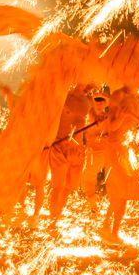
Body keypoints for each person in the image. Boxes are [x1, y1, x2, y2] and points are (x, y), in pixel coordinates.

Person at [100, 86, 139, 244]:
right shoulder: (118, 95)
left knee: (125, 193)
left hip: (129, 150)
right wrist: (122, 116)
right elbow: (111, 127)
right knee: (118, 191)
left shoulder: (137, 100)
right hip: (115, 149)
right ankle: (110, 230)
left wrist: (136, 118)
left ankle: (110, 228)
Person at [46, 85, 92, 221]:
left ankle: (57, 217)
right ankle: (53, 219)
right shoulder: (63, 95)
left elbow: (89, 119)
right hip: (60, 146)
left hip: (77, 149)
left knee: (68, 187)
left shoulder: (87, 101)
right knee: (58, 186)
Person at [81, 92, 111, 210]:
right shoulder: (87, 115)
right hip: (92, 153)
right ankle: (93, 204)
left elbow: (111, 133)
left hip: (106, 153)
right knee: (88, 179)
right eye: (96, 100)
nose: (99, 103)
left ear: (106, 103)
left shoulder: (108, 117)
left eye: (102, 100)